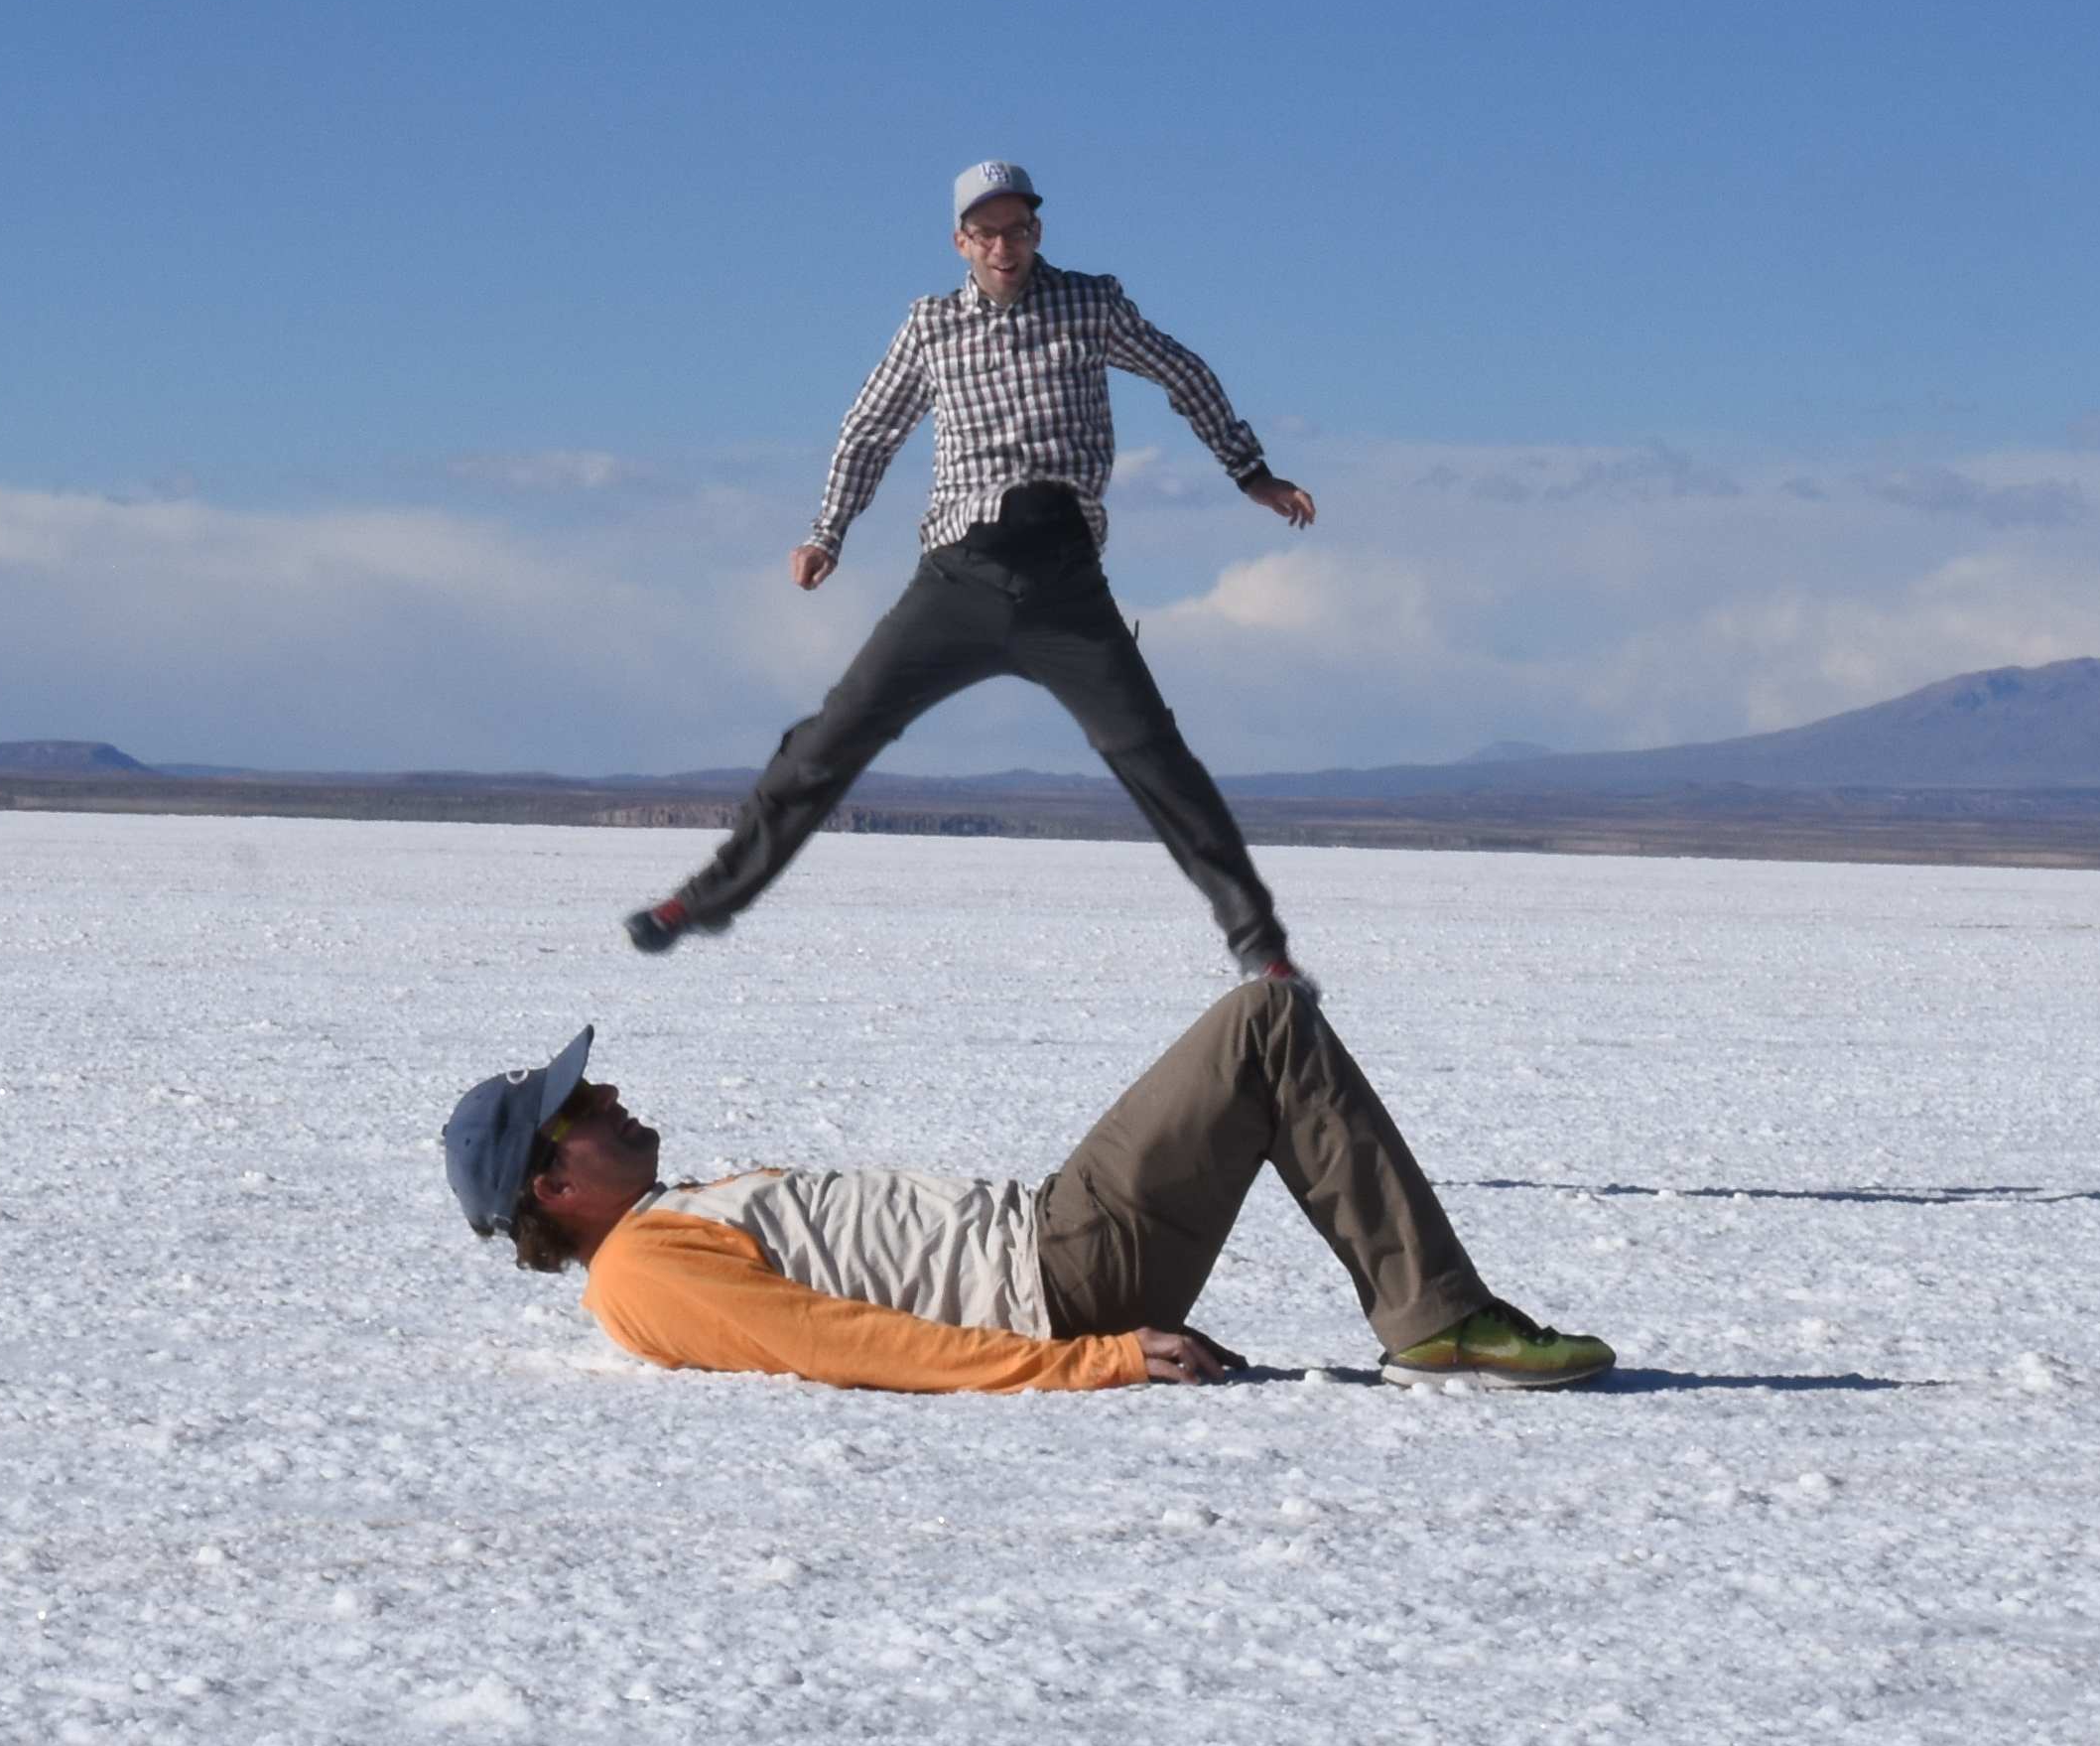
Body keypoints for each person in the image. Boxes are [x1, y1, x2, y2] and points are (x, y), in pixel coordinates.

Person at [625, 160, 1319, 973]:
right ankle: (702, 899)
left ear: (1037, 232)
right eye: (986, 233)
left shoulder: (1089, 304)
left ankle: (1263, 950)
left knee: (1155, 758)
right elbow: (869, 432)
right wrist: (827, 533)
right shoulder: (930, 327)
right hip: (958, 580)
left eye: (1017, 229)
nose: (1003, 246)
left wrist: (1250, 472)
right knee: (829, 739)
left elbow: (1184, 372)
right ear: (961, 241)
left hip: (1065, 588)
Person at [438, 983, 1617, 1391]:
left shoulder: (661, 1225)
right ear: (553, 1182)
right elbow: (849, 1347)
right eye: (582, 1108)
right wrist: (1099, 1358)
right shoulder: (640, 1274)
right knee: (1264, 1024)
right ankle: (1440, 1321)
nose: (611, 1095)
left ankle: (1436, 1318)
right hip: (1056, 1271)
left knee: (1266, 1030)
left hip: (1056, 1246)